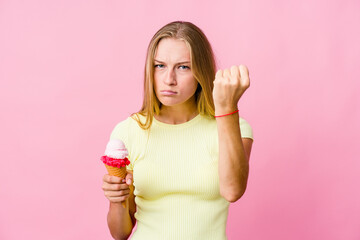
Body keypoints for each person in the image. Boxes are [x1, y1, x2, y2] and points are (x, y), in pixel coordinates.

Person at [101, 21, 253, 240]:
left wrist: (226, 108)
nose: (168, 79)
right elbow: (120, 232)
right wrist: (117, 199)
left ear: (201, 71)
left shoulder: (234, 127)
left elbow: (232, 191)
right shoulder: (128, 131)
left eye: (183, 67)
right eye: (159, 65)